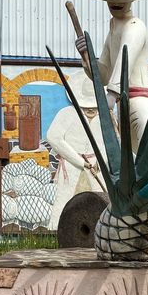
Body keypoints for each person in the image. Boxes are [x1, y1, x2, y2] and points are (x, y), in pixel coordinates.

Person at [76, 0, 148, 153]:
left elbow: (124, 61)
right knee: (132, 160)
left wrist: (111, 95)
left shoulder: (135, 26)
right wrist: (87, 57)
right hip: (124, 104)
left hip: (140, 102)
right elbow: (103, 74)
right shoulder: (114, 27)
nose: (116, 2)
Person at [47, 72, 107, 228]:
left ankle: (102, 231)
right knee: (65, 199)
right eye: (86, 105)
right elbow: (54, 137)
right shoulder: (66, 114)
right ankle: (55, 230)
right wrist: (80, 161)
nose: (90, 109)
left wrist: (101, 161)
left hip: (97, 166)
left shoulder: (106, 116)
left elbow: (111, 142)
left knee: (101, 199)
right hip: (71, 165)